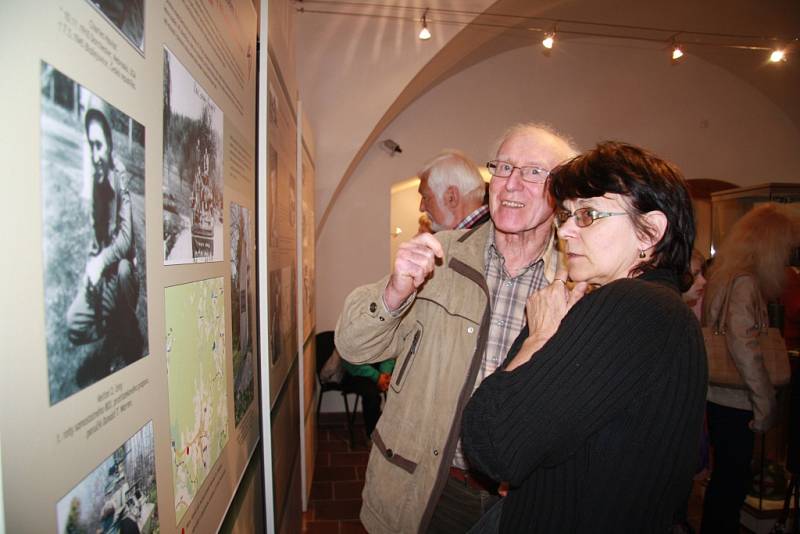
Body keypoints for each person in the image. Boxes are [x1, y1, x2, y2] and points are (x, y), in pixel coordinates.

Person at [335, 123, 578, 533]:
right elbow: (353, 346)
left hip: (526, 500)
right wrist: (395, 292)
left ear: (562, 192)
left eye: (534, 172)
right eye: (503, 168)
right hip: (429, 489)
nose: (512, 184)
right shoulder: (441, 257)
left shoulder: (577, 284)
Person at [461, 141, 707, 533]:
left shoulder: (631, 305)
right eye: (566, 215)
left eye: (589, 215)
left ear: (650, 232)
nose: (566, 231)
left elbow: (491, 445)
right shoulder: (663, 310)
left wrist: (538, 338)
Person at [700, 203, 800, 533]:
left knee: (725, 478)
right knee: (732, 480)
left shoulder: (725, 276)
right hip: (737, 398)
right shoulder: (745, 283)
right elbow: (744, 347)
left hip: (719, 394)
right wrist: (764, 401)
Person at [66, 99, 142, 387]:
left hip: (121, 277)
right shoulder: (97, 183)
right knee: (74, 324)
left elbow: (126, 239)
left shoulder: (120, 177)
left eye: (99, 145)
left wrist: (101, 261)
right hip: (104, 280)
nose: (95, 154)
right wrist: (91, 266)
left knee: (123, 269)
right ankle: (115, 325)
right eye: (91, 145)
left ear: (110, 144)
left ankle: (123, 330)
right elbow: (96, 239)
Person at [418, 149, 489, 232]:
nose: (421, 207)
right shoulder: (483, 232)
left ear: (451, 197)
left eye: (425, 197)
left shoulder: (483, 238)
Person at [341, 359, 396, 439]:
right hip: (355, 371)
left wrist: (385, 374)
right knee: (371, 394)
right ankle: (372, 436)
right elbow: (350, 361)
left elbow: (390, 352)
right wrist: (377, 377)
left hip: (380, 371)